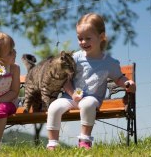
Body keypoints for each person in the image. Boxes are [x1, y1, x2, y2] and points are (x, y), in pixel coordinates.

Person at [46, 13, 136, 150]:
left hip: (92, 99)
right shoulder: (75, 58)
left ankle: (84, 140)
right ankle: (52, 143)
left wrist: (127, 83)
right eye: (80, 38)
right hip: (71, 97)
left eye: (88, 38)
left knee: (87, 104)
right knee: (54, 107)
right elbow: (64, 79)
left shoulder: (109, 62)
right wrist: (72, 94)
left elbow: (118, 78)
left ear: (101, 37)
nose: (83, 42)